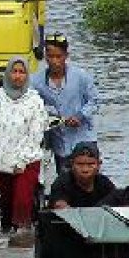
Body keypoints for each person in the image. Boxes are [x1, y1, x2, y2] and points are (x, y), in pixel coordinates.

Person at [0, 58, 48, 240]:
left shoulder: (34, 101)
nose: (17, 76)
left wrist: (23, 161)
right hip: (1, 160)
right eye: (14, 71)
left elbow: (36, 135)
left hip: (27, 161)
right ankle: (6, 244)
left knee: (21, 201)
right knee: (6, 204)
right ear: (7, 74)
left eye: (22, 72)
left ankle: (23, 240)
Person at [33, 33, 98, 177]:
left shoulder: (81, 76)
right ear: (45, 57)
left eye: (59, 56)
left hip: (84, 139)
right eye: (50, 56)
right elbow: (33, 107)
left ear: (66, 56)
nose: (54, 61)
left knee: (87, 180)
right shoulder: (36, 81)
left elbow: (94, 101)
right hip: (60, 144)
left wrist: (80, 116)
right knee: (65, 181)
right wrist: (52, 115)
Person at [47, 143, 115, 209]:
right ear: (72, 164)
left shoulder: (104, 183)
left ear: (99, 164)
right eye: (80, 164)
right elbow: (60, 206)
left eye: (90, 164)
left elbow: (116, 199)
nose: (85, 169)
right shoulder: (62, 183)